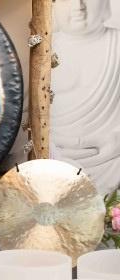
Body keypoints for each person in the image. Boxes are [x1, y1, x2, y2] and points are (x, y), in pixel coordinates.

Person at [50, 0, 120, 195]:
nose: (78, 6)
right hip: (55, 159)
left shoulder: (117, 45)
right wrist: (47, 146)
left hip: (111, 160)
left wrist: (117, 140)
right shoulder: (42, 49)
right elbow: (17, 117)